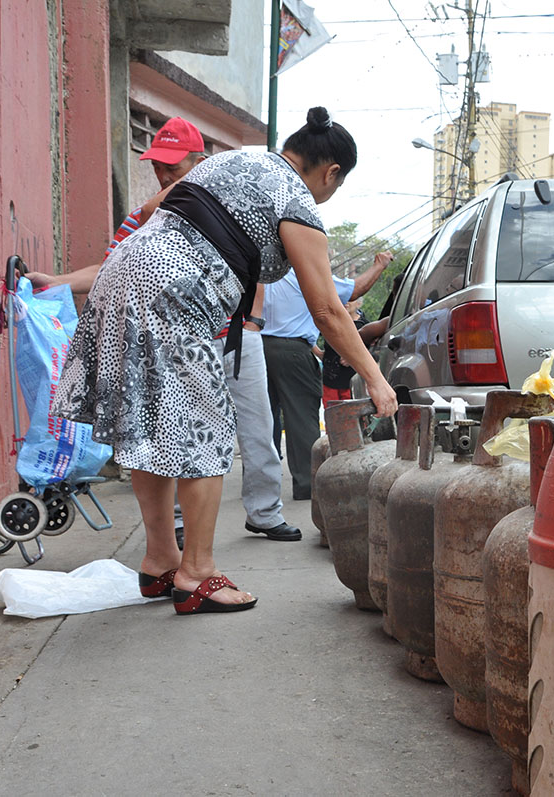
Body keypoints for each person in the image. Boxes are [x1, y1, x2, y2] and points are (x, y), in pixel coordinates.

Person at [50, 106, 398, 614]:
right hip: (173, 292)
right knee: (204, 432)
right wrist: (376, 378)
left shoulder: (229, 162)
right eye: (335, 188)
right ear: (331, 173)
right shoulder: (296, 201)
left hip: (123, 272)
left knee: (153, 428)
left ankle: (160, 561)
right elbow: (326, 308)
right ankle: (197, 573)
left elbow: (149, 211)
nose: (328, 196)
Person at [34, 117, 308, 546]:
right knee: (177, 436)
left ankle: (262, 514)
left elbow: (260, 268)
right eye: (158, 167)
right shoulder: (146, 218)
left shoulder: (232, 196)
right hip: (178, 339)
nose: (163, 176)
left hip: (235, 335)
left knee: (256, 432)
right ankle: (181, 545)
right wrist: (55, 282)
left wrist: (251, 322)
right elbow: (110, 267)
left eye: (173, 167)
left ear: (200, 163)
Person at [261, 250, 392, 500]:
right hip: (293, 352)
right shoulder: (303, 272)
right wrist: (380, 265)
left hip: (259, 347)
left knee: (263, 421)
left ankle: (262, 492)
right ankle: (308, 485)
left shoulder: (263, 274)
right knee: (300, 418)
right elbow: (353, 291)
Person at [321, 300, 390, 408]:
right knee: (331, 415)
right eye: (342, 298)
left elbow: (376, 353)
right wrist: (320, 354)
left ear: (359, 303)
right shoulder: (330, 322)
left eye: (351, 299)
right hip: (329, 382)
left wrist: (352, 357)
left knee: (351, 416)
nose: (346, 302)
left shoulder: (368, 327)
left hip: (353, 382)